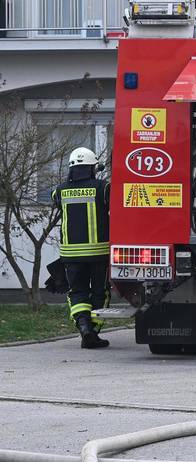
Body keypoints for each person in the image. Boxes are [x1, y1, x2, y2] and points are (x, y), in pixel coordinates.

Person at [52, 147, 111, 349]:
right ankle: (93, 332)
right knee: (99, 292)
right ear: (92, 168)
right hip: (98, 253)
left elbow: (57, 203)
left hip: (71, 255)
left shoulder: (59, 190)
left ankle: (84, 328)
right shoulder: (103, 188)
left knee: (77, 292)